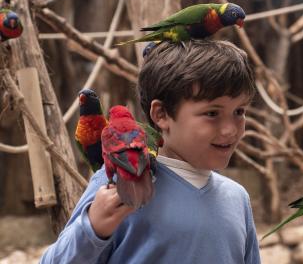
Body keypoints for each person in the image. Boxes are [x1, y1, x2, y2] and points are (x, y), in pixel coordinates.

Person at [41, 39, 261, 263]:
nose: (230, 129)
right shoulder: (121, 186)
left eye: (239, 111)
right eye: (212, 113)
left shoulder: (237, 198)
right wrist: (92, 228)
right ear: (161, 114)